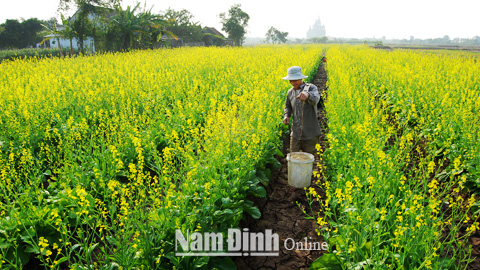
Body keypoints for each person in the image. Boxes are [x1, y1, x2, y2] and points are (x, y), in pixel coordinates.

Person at [282, 66, 322, 155]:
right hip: (296, 133)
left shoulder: (311, 88)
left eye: (295, 80)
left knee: (309, 159)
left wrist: (307, 95)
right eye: (290, 80)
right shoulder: (290, 92)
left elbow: (316, 99)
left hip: (310, 134)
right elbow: (288, 106)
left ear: (301, 78)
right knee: (293, 158)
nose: (292, 82)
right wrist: (286, 116)